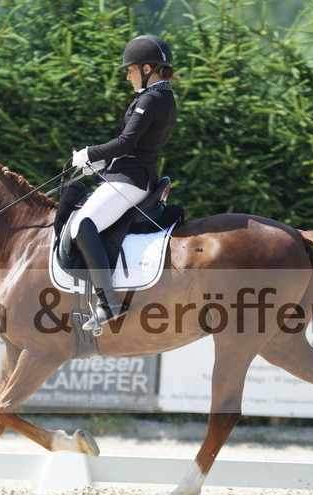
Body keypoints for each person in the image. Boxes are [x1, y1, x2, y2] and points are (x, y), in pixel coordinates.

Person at [70, 34, 177, 330]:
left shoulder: (152, 98)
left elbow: (127, 141)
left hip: (131, 178)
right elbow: (135, 145)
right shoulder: (160, 96)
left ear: (147, 69)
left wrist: (90, 153)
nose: (127, 76)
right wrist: (104, 161)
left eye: (130, 70)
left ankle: (108, 302)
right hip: (128, 173)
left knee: (83, 225)